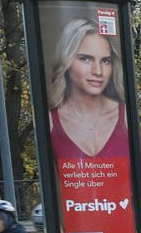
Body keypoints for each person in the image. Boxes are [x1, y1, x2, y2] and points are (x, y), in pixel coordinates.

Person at [46, 19, 128, 160]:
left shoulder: (126, 115)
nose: (98, 71)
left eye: (105, 61)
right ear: (67, 61)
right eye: (85, 59)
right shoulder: (51, 121)